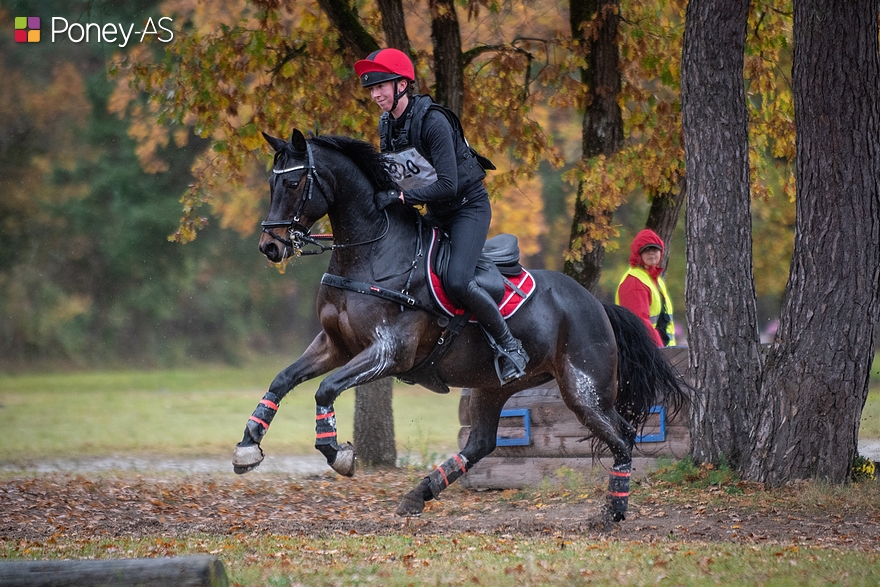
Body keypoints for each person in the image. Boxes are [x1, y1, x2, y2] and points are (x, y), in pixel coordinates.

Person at [354, 47, 529, 384]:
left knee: (458, 279)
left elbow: (448, 185)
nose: (376, 95)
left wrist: (404, 196)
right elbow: (400, 175)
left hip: (467, 208)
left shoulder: (432, 120)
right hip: (435, 211)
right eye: (372, 89)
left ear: (402, 85)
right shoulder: (386, 124)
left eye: (381, 86)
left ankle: (510, 347)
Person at [615, 228, 676, 347]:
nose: (651, 253)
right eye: (646, 250)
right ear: (638, 255)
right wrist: (660, 353)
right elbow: (639, 323)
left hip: (660, 351)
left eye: (654, 249)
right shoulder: (634, 282)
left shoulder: (656, 280)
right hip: (645, 352)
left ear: (661, 252)